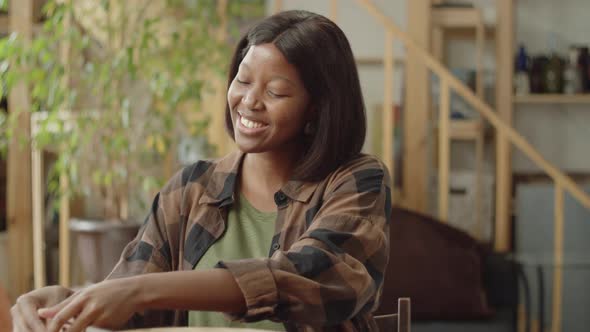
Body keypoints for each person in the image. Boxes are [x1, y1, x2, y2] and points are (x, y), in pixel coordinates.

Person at [11, 10, 392, 332]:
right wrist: (68, 300)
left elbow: (305, 280)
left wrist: (140, 291)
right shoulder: (192, 187)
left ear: (317, 108)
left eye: (275, 92)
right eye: (242, 81)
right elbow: (128, 292)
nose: (249, 101)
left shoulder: (357, 181)